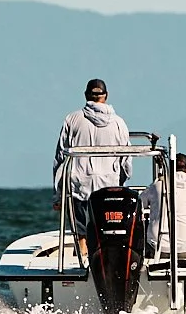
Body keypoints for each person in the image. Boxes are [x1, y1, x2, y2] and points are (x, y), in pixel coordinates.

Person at [54, 78, 131, 257]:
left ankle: (82, 252)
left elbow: (60, 158)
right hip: (109, 185)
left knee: (82, 232)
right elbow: (126, 160)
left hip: (80, 184)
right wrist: (121, 182)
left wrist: (58, 194)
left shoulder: (72, 119)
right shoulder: (119, 123)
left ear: (86, 95)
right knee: (106, 229)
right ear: (106, 96)